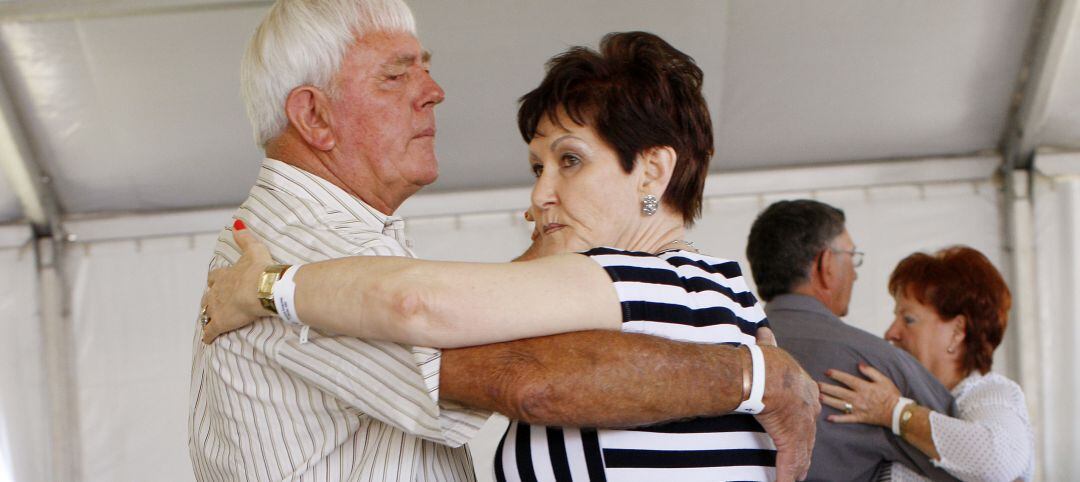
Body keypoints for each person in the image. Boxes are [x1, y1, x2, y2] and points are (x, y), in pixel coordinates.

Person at [190, 3, 820, 481]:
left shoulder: (291, 262)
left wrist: (270, 290)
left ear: (653, 172)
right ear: (315, 117)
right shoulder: (300, 243)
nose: (433, 92)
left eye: (570, 162)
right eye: (396, 76)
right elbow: (526, 375)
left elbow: (447, 316)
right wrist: (758, 373)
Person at [745, 199, 959, 482]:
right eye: (852, 255)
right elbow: (973, 468)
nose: (856, 272)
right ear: (826, 264)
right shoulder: (877, 365)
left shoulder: (724, 353)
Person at [819, 246, 1034, 481]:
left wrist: (895, 411)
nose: (891, 332)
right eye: (895, 317)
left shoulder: (989, 392)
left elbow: (996, 462)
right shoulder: (901, 397)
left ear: (957, 331)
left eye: (908, 319)